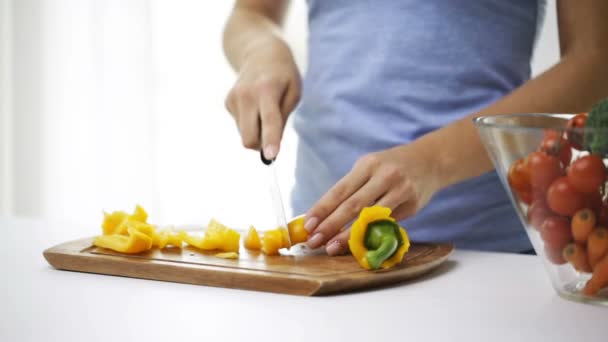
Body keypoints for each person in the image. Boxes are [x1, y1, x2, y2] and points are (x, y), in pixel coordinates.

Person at [222, 1, 608, 256]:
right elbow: (251, 14)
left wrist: (433, 161)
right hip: (320, 247)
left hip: (484, 253)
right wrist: (262, 50)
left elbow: (596, 63)